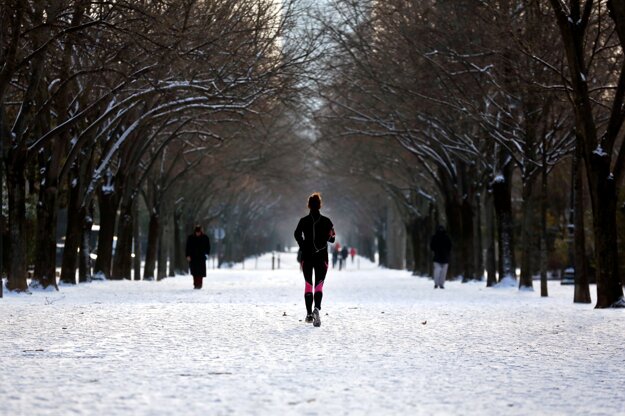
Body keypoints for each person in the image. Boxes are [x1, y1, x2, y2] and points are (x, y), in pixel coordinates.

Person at [294, 192, 336, 327]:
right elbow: (333, 238)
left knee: (308, 284)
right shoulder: (327, 221)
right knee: (319, 284)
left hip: (307, 256)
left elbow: (296, 234)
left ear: (309, 206)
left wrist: (303, 245)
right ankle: (317, 308)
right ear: (319, 205)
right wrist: (324, 238)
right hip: (322, 256)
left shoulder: (303, 221)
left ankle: (308, 314)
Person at [186, 225, 211, 289]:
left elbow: (208, 247)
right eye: (197, 232)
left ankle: (199, 284)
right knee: (194, 272)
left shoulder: (205, 238)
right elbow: (187, 247)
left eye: (199, 232)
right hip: (193, 257)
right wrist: (188, 255)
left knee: (200, 272)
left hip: (201, 257)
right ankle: (195, 284)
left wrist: (206, 254)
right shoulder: (190, 238)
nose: (198, 233)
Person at [430, 225, 451, 289]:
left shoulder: (436, 237)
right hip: (440, 257)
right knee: (440, 271)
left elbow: (431, 246)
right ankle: (438, 284)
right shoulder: (446, 237)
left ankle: (439, 284)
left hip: (441, 257)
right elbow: (450, 246)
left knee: (440, 271)